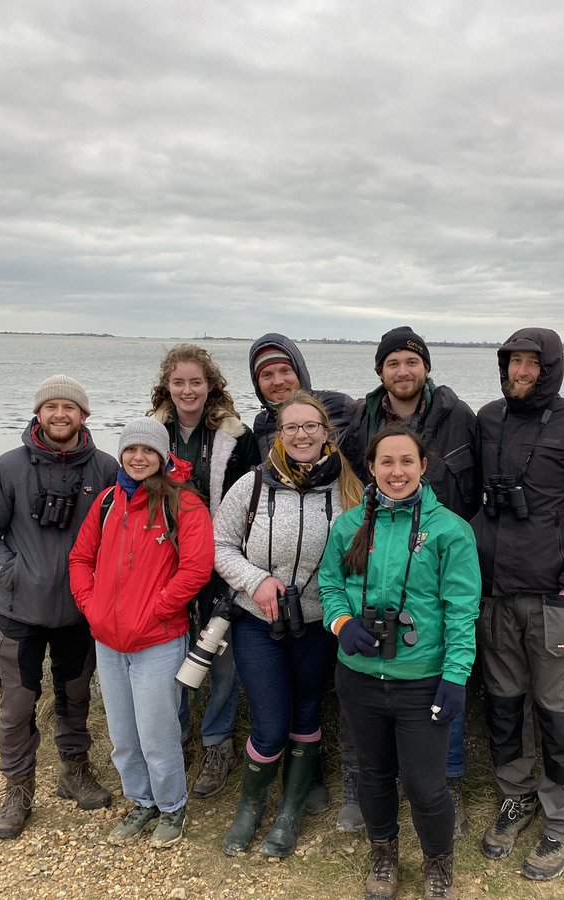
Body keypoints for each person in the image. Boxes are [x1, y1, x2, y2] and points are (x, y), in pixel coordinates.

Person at [473, 328, 564, 881]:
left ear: (551, 368)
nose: (522, 372)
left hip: (553, 600)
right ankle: (515, 798)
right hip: (493, 596)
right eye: (514, 362)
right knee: (504, 709)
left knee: (559, 716)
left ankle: (563, 820)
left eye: (533, 364)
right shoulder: (487, 419)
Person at [320, 425, 480, 900]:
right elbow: (330, 587)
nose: (396, 472)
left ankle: (437, 862)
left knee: (426, 786)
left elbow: (461, 610)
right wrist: (342, 624)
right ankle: (384, 854)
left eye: (406, 461)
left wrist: (455, 677)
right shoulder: (349, 525)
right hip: (361, 678)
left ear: (423, 466)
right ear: (370, 467)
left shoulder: (451, 530)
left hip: (422, 682)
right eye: (385, 462)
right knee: (371, 775)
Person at [340, 325, 479, 837]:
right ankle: (367, 784)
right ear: (380, 370)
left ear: (426, 368)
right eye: (393, 362)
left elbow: (478, 484)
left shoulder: (456, 414)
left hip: (438, 550)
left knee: (446, 673)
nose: (404, 371)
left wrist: (451, 543)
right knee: (363, 689)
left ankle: (449, 784)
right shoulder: (361, 416)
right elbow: (350, 477)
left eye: (412, 362)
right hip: (380, 544)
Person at [0, 375, 117, 840]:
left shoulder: (107, 470)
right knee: (16, 705)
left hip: (79, 612)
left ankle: (74, 770)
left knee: (76, 697)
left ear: (83, 416)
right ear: (39, 414)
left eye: (69, 407)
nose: (60, 414)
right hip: (20, 612)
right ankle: (18, 788)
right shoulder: (8, 468)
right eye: (51, 406)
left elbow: (121, 538)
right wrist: (15, 574)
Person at [213, 391, 363, 857]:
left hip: (320, 624)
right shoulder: (252, 484)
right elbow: (219, 545)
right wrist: (256, 581)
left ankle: (290, 813)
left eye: (310, 427)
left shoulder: (349, 489)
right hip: (259, 621)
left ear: (326, 434)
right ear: (279, 435)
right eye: (291, 427)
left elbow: (362, 554)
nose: (301, 435)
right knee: (271, 724)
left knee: (306, 715)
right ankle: (250, 807)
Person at [68, 418, 215, 848]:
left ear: (163, 455)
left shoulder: (184, 505)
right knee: (122, 737)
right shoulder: (109, 502)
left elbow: (196, 568)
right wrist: (91, 606)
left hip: (158, 641)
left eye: (148, 450)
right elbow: (80, 558)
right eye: (131, 449)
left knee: (157, 734)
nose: (138, 457)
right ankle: (141, 801)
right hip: (109, 641)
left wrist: (157, 610)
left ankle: (171, 807)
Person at [148, 343, 261, 799]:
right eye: (179, 382)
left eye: (196, 381)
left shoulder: (238, 435)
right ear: (167, 386)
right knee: (169, 650)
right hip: (163, 560)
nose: (188, 390)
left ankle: (217, 741)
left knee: (222, 656)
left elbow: (250, 503)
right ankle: (175, 735)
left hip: (219, 560)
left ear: (210, 385)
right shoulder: (151, 432)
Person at [248, 333, 355, 457]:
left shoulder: (340, 406)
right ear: (257, 383)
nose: (278, 381)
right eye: (267, 375)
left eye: (285, 370)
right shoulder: (263, 424)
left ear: (299, 372)